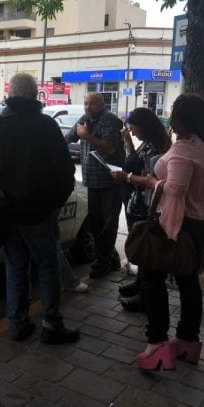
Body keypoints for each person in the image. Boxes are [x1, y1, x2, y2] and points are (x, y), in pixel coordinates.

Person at [0, 73, 80, 344]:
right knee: (47, 268)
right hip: (40, 214)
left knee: (16, 268)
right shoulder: (45, 126)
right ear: (35, 95)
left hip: (8, 216)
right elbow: (65, 170)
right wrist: (54, 203)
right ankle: (51, 325)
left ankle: (18, 325)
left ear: (10, 95)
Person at [127, 94, 204, 371]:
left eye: (173, 114)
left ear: (181, 119)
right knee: (187, 279)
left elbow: (175, 189)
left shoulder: (184, 150)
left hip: (183, 223)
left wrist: (147, 181)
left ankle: (157, 344)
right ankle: (187, 342)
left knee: (152, 276)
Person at [111, 108, 172, 312]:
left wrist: (126, 177)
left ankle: (146, 295)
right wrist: (129, 143)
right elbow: (134, 162)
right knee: (139, 243)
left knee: (146, 247)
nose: (132, 131)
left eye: (133, 128)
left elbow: (149, 180)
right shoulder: (147, 143)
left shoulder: (158, 147)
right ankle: (140, 283)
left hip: (148, 203)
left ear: (144, 126)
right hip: (137, 200)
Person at [67, 93, 126, 278]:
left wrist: (86, 136)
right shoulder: (85, 119)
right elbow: (69, 137)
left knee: (108, 226)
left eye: (92, 104)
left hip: (110, 182)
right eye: (85, 103)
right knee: (96, 225)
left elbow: (110, 148)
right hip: (92, 182)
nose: (87, 107)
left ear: (102, 105)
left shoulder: (109, 120)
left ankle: (102, 265)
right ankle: (112, 259)